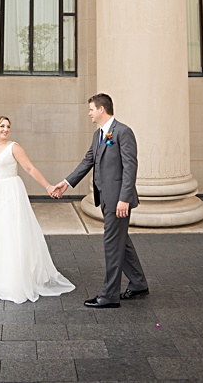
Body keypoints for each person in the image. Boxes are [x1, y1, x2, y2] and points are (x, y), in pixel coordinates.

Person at [0, 115, 74, 303]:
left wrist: (48, 186)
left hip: (11, 191)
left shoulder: (15, 147)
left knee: (11, 231)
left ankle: (14, 279)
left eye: (8, 126)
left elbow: (29, 168)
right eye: (2, 126)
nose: (5, 129)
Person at [49, 93, 150, 308]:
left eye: (91, 109)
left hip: (118, 201)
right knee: (121, 241)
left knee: (112, 244)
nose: (89, 114)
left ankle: (109, 295)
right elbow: (88, 161)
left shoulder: (123, 132)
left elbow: (130, 168)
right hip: (104, 198)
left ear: (102, 109)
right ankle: (139, 283)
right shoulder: (98, 135)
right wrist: (65, 183)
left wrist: (124, 198)